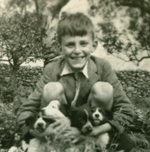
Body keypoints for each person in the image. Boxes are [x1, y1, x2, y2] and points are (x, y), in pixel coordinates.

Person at [17, 12, 134, 144]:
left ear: (93, 46)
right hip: (56, 131)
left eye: (83, 44)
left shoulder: (102, 67)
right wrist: (39, 132)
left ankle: (94, 145)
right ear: (60, 48)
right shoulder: (52, 69)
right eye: (70, 45)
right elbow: (27, 109)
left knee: (103, 89)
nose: (77, 50)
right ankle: (51, 143)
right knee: (52, 89)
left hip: (92, 130)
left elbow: (126, 110)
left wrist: (95, 130)